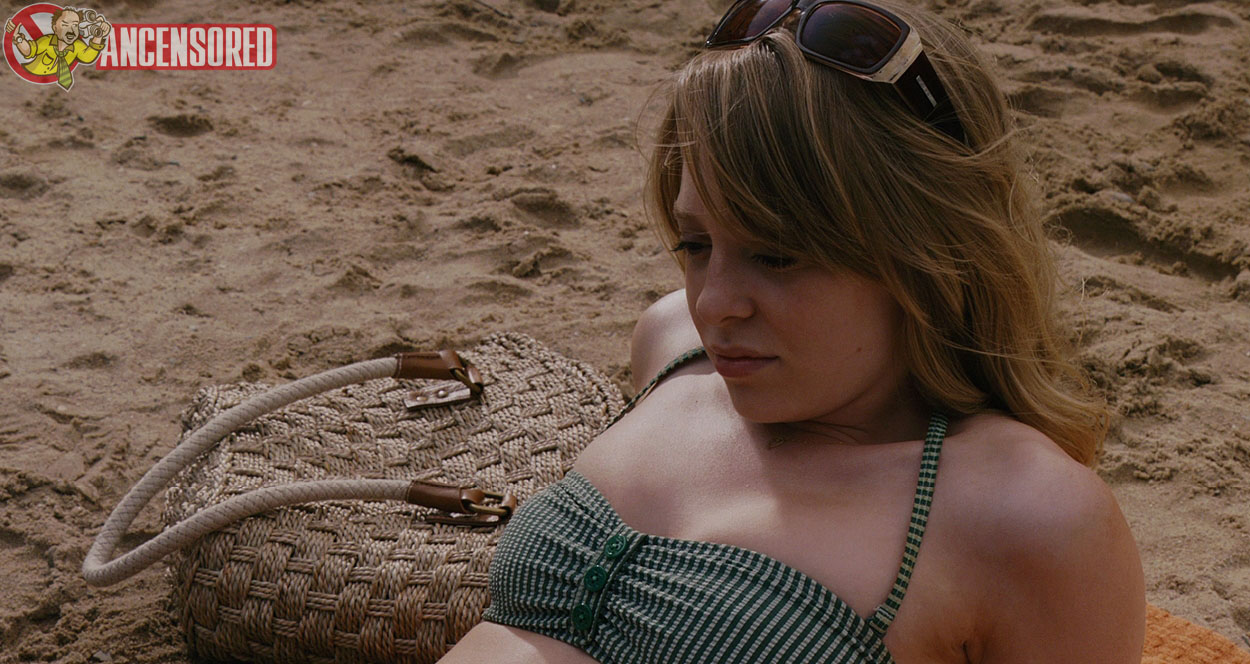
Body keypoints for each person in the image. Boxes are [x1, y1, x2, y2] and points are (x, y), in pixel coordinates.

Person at [440, 0, 1145, 661]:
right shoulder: (673, 344)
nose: (715, 303)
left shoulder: (1030, 517)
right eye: (695, 244)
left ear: (929, 252)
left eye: (776, 255)